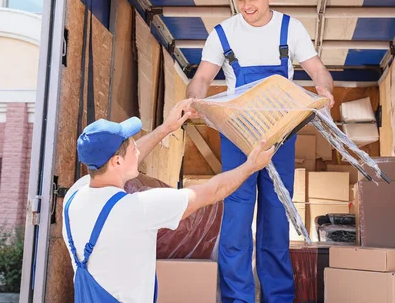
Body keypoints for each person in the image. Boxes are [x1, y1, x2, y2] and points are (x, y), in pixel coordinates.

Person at [186, 0, 335, 303]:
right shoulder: (223, 33)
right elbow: (202, 78)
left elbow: (317, 70)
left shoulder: (290, 28)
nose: (247, 5)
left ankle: (278, 298)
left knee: (276, 217)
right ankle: (237, 298)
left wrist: (324, 91)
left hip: (280, 133)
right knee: (237, 220)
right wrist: (195, 98)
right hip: (237, 135)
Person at [62, 99, 275, 303]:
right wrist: (251, 166)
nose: (137, 149)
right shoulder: (138, 210)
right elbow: (211, 191)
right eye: (131, 147)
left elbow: (120, 161)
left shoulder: (74, 197)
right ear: (117, 161)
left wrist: (166, 128)